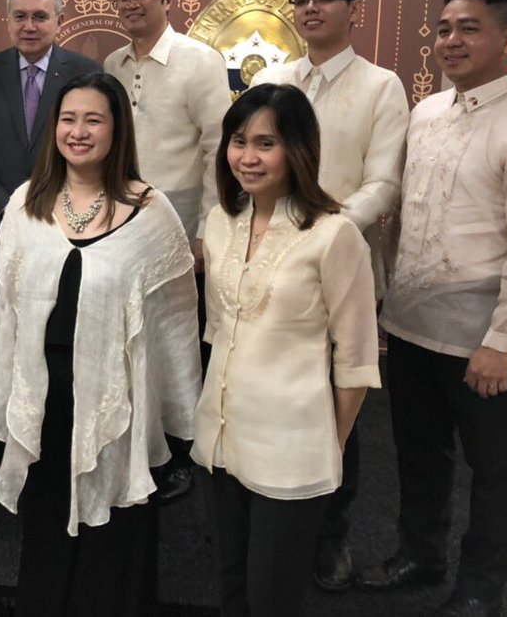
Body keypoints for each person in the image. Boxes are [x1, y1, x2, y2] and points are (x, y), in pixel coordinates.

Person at [357, 0, 507, 617]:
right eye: (444, 28)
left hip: (480, 339)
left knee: (494, 469)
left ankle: (481, 587)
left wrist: (499, 343)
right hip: (411, 322)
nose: (452, 40)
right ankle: (418, 554)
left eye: (470, 29)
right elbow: (402, 220)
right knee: (419, 453)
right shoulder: (425, 113)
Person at [0, 73, 203, 616]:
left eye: (93, 119)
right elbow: (8, 308)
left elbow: (173, 321)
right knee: (46, 530)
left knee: (114, 540)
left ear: (117, 129)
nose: (78, 131)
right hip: (44, 401)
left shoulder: (151, 212)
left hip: (115, 405)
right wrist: (5, 393)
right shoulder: (28, 203)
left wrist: (179, 414)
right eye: (68, 119)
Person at [191, 83, 380, 617]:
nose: (247, 157)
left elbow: (357, 361)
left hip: (293, 447)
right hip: (221, 438)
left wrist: (328, 444)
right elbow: (219, 331)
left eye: (266, 143)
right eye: (238, 141)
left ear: (298, 149)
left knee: (271, 595)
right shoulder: (220, 223)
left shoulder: (333, 234)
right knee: (229, 586)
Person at [251, 0, 409, 590]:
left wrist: (328, 230)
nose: (311, 8)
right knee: (271, 387)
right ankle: (265, 512)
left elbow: (385, 182)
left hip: (340, 264)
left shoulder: (382, 87)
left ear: (353, 8)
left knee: (335, 398)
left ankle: (330, 531)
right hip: (270, 262)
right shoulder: (279, 81)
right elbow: (254, 160)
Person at [104, 0, 231, 499]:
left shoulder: (200, 62)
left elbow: (217, 151)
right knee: (130, 334)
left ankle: (183, 450)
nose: (132, 5)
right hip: (120, 224)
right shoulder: (112, 63)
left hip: (180, 228)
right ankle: (136, 434)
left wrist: (205, 230)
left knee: (179, 337)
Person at [0, 0, 98, 465]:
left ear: (59, 21)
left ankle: (55, 430)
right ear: (9, 20)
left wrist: (54, 214)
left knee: (56, 336)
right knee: (2, 335)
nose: (29, 25)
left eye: (40, 16)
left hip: (68, 233)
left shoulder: (83, 73)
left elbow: (91, 150)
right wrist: (11, 210)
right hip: (3, 229)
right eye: (20, 16)